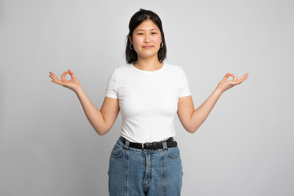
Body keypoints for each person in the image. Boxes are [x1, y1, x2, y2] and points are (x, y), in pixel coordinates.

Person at [49, 8, 248, 196]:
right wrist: (78, 89)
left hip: (167, 161)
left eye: (153, 33)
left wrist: (219, 90)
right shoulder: (119, 76)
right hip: (126, 160)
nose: (147, 39)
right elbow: (102, 126)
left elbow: (191, 123)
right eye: (140, 33)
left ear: (161, 38)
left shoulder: (176, 74)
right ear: (130, 40)